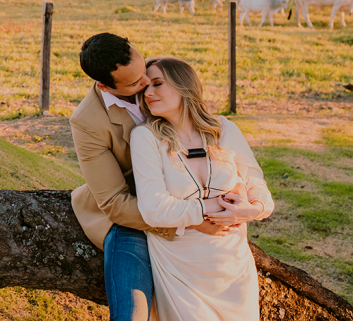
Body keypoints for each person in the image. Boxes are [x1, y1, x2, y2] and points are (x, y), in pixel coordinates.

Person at [70, 33, 232, 321]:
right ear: (104, 85)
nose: (146, 84)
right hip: (133, 214)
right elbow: (115, 203)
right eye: (134, 83)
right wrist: (189, 221)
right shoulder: (87, 121)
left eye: (143, 70)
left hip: (181, 195)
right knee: (133, 313)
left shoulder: (156, 76)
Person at [131, 56, 274, 321]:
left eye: (157, 84)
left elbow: (258, 187)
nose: (148, 93)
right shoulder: (145, 137)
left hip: (233, 266)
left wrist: (250, 210)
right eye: (144, 88)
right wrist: (213, 206)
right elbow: (153, 209)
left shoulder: (223, 129)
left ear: (183, 85)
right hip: (181, 267)